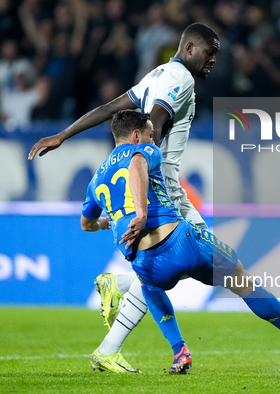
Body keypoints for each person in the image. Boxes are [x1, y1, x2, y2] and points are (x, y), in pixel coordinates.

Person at [28, 23, 220, 371]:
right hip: (168, 190)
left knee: (172, 268)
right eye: (209, 54)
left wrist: (64, 134)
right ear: (190, 48)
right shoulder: (182, 79)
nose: (212, 62)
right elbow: (156, 124)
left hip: (157, 184)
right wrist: (147, 173)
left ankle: (116, 328)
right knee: (213, 263)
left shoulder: (156, 75)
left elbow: (108, 109)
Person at [82, 110, 280, 374]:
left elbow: (86, 224)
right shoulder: (144, 151)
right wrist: (141, 213)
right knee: (242, 281)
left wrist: (106, 222)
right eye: (150, 135)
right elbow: (136, 164)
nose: (152, 140)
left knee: (149, 285)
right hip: (181, 242)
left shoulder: (95, 183)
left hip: (145, 262)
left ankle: (179, 351)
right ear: (136, 134)